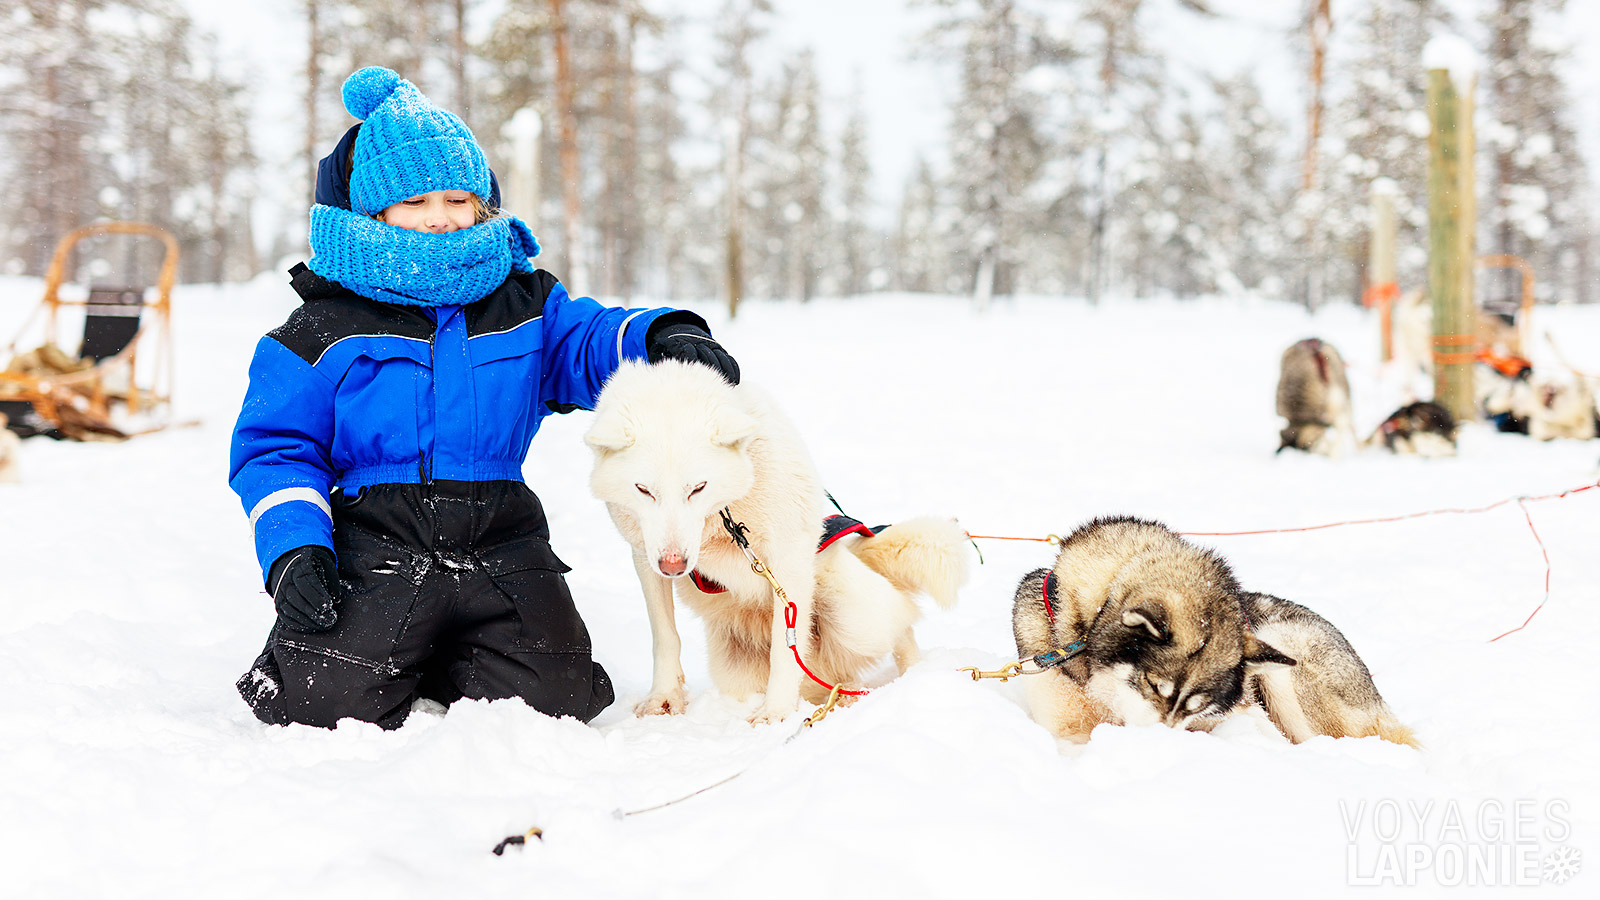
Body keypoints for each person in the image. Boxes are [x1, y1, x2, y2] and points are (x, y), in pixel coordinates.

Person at [230, 67, 738, 730]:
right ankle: (394, 645)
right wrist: (295, 547)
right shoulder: (320, 329)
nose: (439, 219)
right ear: (367, 212)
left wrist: (659, 334)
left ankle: (445, 650)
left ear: (482, 204)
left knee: (556, 699)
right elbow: (276, 450)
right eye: (413, 203)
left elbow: (584, 343)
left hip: (500, 533)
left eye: (455, 199)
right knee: (323, 702)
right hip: (375, 540)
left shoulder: (522, 302)